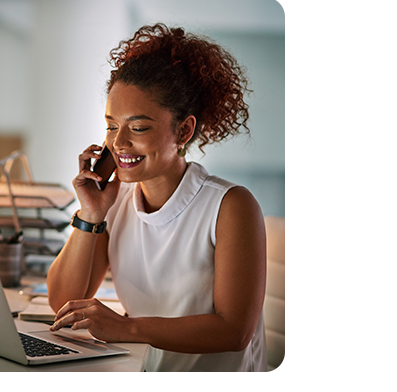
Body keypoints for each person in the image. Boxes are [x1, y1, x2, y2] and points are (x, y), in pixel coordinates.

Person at [46, 23, 267, 371]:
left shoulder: (230, 206)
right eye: (111, 125)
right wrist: (90, 214)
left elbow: (234, 330)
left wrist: (125, 327)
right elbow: (62, 301)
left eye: (138, 127)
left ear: (183, 130)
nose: (118, 144)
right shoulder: (115, 201)